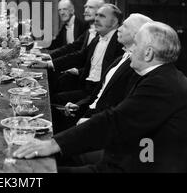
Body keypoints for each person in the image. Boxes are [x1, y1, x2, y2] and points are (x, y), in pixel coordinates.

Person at [14, 22, 187, 173]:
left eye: (135, 43)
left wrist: (53, 144)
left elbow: (114, 120)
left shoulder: (161, 84)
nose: (130, 48)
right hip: (127, 157)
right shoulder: (161, 76)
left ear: (148, 53)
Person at [64, 13, 153, 124]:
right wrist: (79, 105)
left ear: (137, 34)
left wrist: (93, 121)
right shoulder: (121, 58)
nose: (119, 29)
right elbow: (101, 93)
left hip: (102, 122)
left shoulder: (137, 66)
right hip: (90, 113)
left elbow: (121, 108)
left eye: (124, 26)